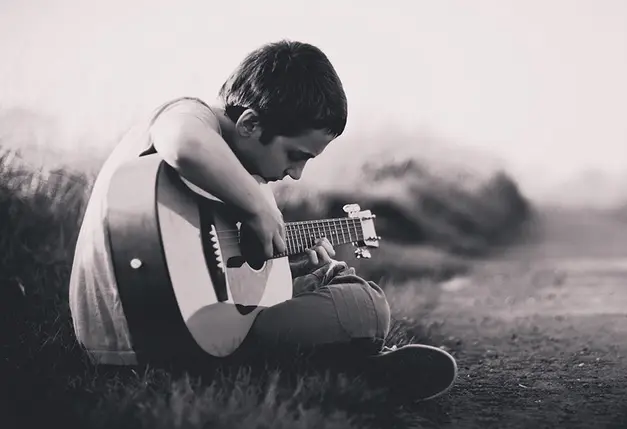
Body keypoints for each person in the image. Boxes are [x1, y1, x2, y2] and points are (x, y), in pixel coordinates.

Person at [69, 40, 454, 402]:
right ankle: (333, 365)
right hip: (151, 336)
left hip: (157, 334)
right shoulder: (188, 115)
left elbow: (206, 269)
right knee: (368, 304)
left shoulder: (228, 173)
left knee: (324, 276)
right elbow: (184, 144)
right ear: (250, 124)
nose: (297, 173)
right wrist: (259, 207)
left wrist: (285, 268)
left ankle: (321, 367)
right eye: (295, 154)